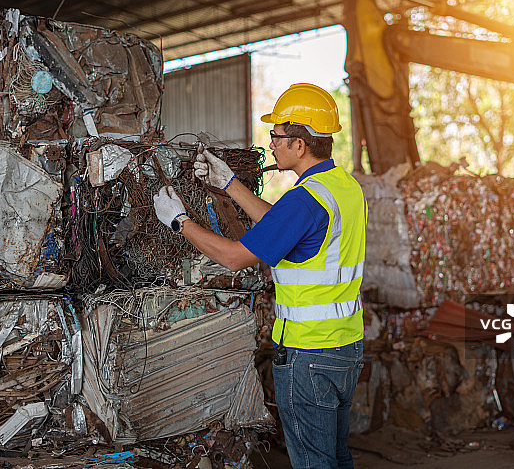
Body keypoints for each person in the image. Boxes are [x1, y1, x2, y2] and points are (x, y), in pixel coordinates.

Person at [152, 83, 367, 469]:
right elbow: (281, 226)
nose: (271, 143)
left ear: (299, 145)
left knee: (314, 463)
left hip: (309, 356)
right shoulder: (343, 188)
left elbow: (236, 258)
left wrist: (179, 221)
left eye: (277, 136)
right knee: (335, 457)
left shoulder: (305, 199)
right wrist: (229, 183)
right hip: (345, 349)